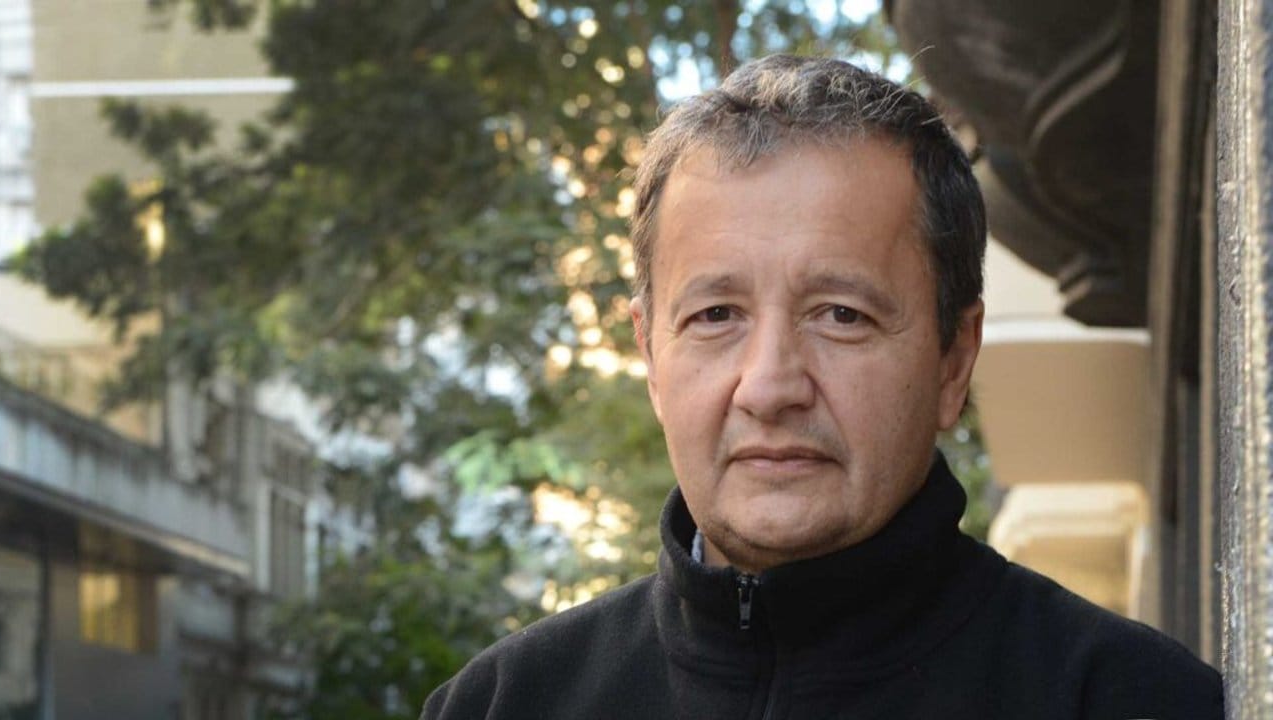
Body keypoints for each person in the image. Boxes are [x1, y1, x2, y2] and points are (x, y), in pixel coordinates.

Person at [421, 54, 1223, 719]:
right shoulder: (502, 704)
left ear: (954, 358)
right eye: (715, 316)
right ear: (651, 357)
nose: (770, 386)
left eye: (842, 315)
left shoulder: (1128, 699)